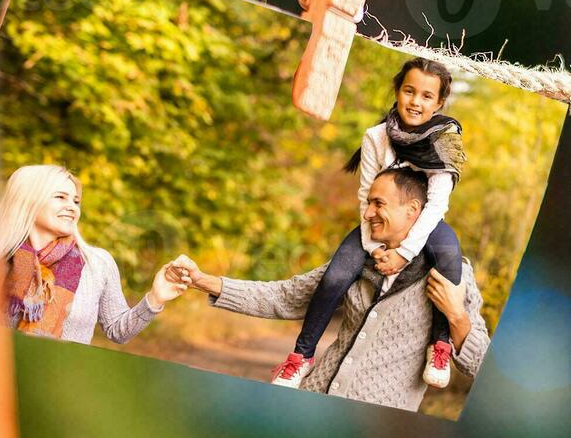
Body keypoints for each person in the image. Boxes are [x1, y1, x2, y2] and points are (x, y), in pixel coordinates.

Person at [165, 168, 489, 413]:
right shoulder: (354, 262)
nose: (367, 213)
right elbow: (285, 297)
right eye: (368, 203)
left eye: (379, 203)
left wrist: (456, 316)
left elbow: (482, 365)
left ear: (413, 210)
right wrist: (203, 280)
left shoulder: (453, 274)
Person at [268, 58, 467, 392]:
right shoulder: (376, 137)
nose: (415, 102)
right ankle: (300, 357)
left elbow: (437, 203)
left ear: (439, 103)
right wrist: (376, 247)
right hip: (376, 223)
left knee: (450, 256)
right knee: (336, 274)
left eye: (426, 96)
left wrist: (403, 253)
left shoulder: (446, 139)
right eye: (409, 91)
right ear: (397, 91)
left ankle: (440, 344)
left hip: (424, 224)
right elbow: (367, 196)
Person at [0, 164, 188, 345]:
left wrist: (155, 298)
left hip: (67, 379)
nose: (72, 207)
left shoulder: (97, 264)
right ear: (28, 201)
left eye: (76, 201)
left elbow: (117, 331)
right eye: (60, 197)